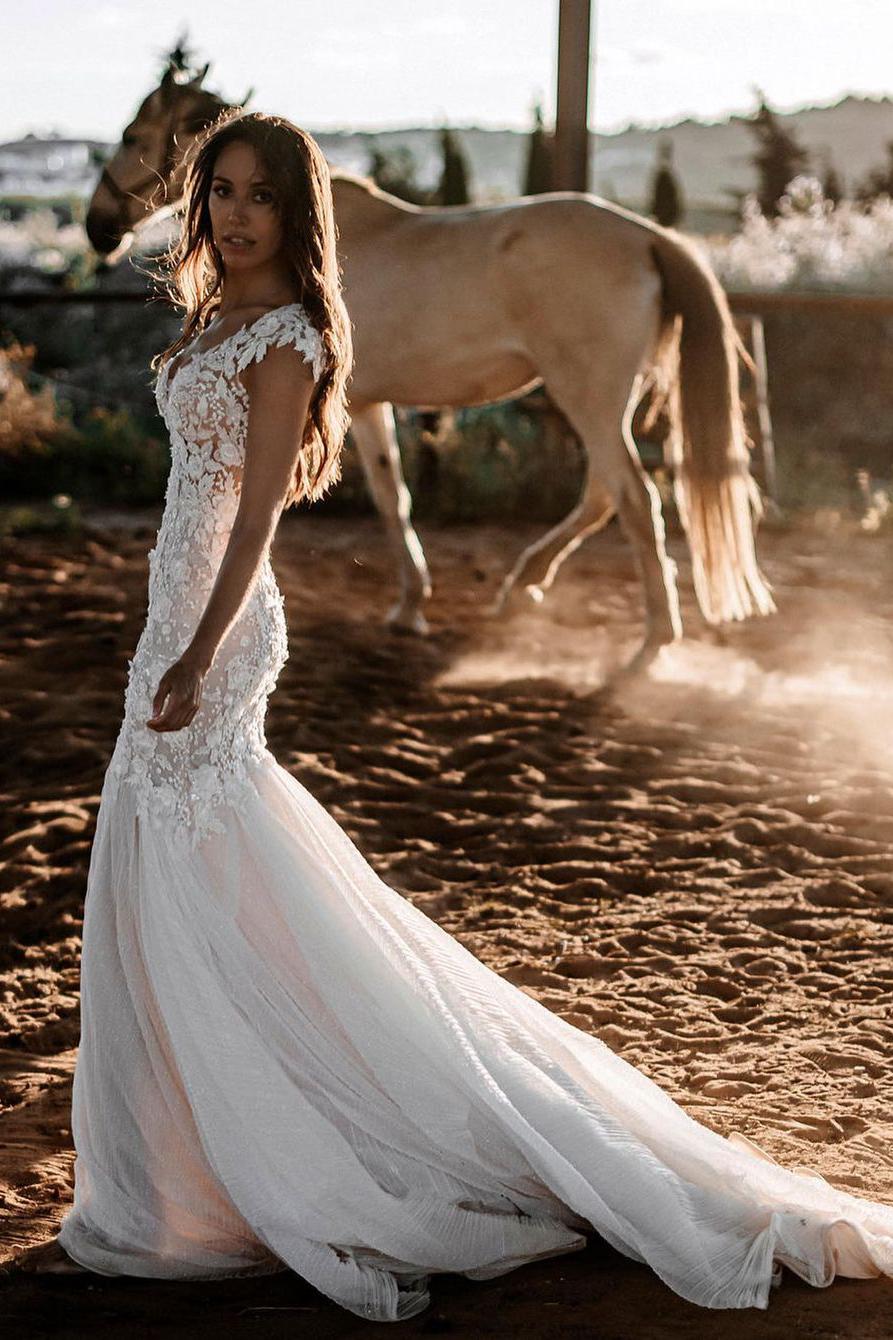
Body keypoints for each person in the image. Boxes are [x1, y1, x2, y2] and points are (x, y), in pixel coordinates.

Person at [7, 110, 893, 1322]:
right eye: (222, 191)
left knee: (201, 846)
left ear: (298, 212)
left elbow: (257, 513)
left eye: (263, 195)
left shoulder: (286, 333)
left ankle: (253, 1148)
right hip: (174, 610)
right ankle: (180, 1161)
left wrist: (202, 646)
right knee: (180, 857)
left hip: (215, 622)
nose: (236, 214)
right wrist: (172, 625)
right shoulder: (207, 316)